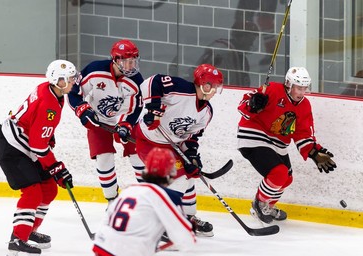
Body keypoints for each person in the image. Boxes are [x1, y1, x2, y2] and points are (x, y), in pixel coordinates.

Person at [0, 59, 79, 256]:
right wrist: (58, 168)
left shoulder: (49, 91)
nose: (73, 82)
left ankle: (28, 228)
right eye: (69, 79)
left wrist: (47, 136)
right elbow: (38, 147)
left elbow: (36, 130)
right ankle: (17, 239)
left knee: (49, 189)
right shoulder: (49, 104)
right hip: (13, 149)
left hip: (25, 145)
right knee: (33, 192)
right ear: (57, 81)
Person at [237, 66, 337, 224]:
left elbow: (303, 134)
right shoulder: (272, 90)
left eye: (304, 88)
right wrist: (253, 103)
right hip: (254, 135)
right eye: (298, 88)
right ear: (289, 84)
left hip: (277, 143)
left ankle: (267, 207)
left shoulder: (304, 106)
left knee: (286, 179)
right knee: (279, 173)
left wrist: (314, 153)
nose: (301, 92)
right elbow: (243, 105)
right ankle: (259, 204)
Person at [135, 64, 224, 237]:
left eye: (216, 88)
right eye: (211, 86)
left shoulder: (206, 112)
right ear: (202, 84)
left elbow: (191, 137)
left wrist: (191, 155)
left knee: (189, 176)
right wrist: (153, 106)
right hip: (150, 141)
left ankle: (188, 217)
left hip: (172, 146)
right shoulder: (181, 89)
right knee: (179, 177)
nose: (214, 91)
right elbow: (151, 82)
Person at [93, 147, 196, 256]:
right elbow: (186, 241)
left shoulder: (129, 190)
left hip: (101, 252)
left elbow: (106, 221)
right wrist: (190, 229)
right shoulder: (165, 196)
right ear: (171, 172)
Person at [68, 39, 145, 202]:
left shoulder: (137, 81)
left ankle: (152, 199)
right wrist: (82, 110)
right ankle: (112, 200)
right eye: (127, 61)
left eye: (134, 61)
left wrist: (127, 123)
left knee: (138, 156)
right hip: (99, 120)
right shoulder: (95, 70)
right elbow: (74, 93)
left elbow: (136, 108)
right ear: (116, 60)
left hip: (126, 120)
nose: (131, 66)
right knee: (104, 159)